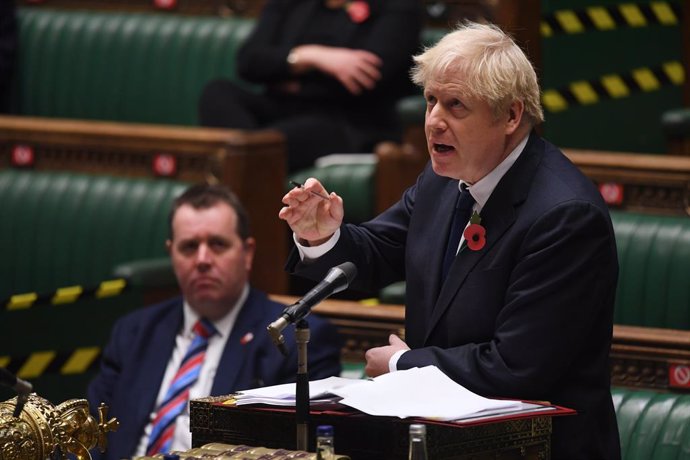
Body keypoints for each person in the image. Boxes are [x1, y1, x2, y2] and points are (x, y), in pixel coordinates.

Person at [279, 22, 621, 459]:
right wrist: (321, 236)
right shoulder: (443, 180)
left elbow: (515, 369)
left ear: (511, 116)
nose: (434, 121)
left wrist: (402, 366)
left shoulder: (566, 217)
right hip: (444, 441)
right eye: (431, 101)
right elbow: (381, 252)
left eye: (456, 105)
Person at [88, 184, 342, 459]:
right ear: (171, 253)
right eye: (189, 247)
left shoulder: (296, 340)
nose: (202, 260)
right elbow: (91, 436)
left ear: (247, 253)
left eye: (218, 244)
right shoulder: (134, 332)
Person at [198, 0, 422, 173]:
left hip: (347, 120)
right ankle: (250, 166)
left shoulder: (397, 5)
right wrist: (310, 57)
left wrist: (290, 78)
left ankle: (241, 179)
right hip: (281, 109)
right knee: (218, 93)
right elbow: (248, 61)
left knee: (269, 143)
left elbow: (369, 78)